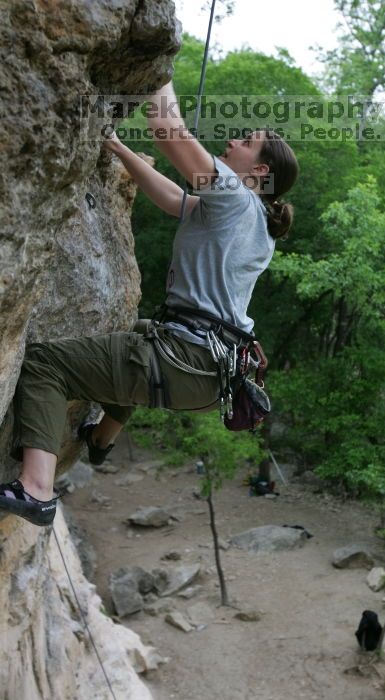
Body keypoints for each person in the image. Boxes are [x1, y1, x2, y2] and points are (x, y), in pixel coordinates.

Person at [0, 81, 299, 526]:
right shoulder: (251, 221)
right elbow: (175, 200)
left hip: (182, 358)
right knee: (139, 331)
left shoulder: (234, 195)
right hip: (207, 376)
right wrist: (119, 149)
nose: (233, 140)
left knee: (45, 364)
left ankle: (37, 489)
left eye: (246, 141)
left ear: (258, 173)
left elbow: (166, 128)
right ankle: (102, 439)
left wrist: (161, 74)